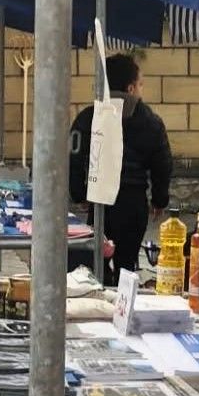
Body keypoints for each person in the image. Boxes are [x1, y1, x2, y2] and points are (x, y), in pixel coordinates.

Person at [68, 53, 173, 284]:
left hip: (100, 201)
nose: (141, 90)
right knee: (127, 264)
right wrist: (159, 200)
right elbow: (162, 164)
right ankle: (123, 304)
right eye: (140, 84)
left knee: (97, 258)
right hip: (133, 202)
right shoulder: (151, 121)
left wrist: (79, 193)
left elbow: (74, 159)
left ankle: (100, 293)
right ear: (130, 88)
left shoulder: (89, 117)